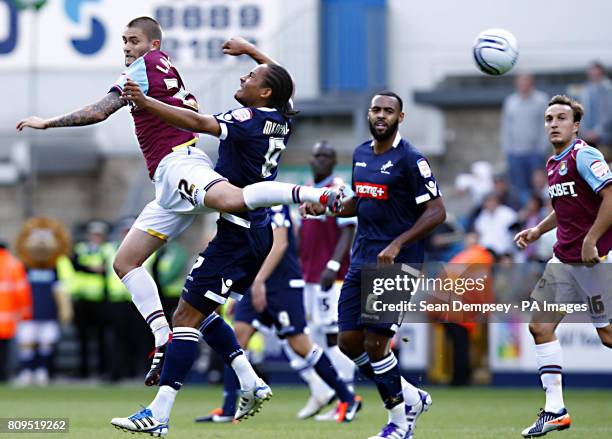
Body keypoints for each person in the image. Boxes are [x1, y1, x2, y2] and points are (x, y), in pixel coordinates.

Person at [15, 17, 342, 385]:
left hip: (180, 167)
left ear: (153, 45)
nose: (126, 47)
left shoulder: (143, 71)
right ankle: (162, 336)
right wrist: (251, 52)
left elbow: (100, 111)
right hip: (175, 189)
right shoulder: (170, 69)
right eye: (124, 40)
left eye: (134, 40)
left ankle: (315, 195)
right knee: (126, 263)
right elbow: (282, 85)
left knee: (231, 200)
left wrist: (48, 123)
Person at [109, 34, 334, 437]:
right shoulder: (279, 115)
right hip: (252, 232)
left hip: (239, 232)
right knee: (203, 311)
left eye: (250, 76)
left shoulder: (245, 121)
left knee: (184, 318)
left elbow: (196, 123)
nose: (244, 77)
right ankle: (249, 380)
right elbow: (285, 84)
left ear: (262, 92)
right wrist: (251, 51)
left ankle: (159, 414)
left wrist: (144, 104)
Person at [302, 91, 446, 439]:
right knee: (349, 343)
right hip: (362, 258)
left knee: (375, 346)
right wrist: (329, 208)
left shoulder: (411, 159)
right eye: (376, 110)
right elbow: (360, 202)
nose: (381, 115)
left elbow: (437, 211)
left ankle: (399, 424)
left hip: (397, 263)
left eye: (388, 111)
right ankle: (411, 395)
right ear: (369, 114)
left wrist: (398, 243)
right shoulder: (361, 153)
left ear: (400, 117)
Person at [196, 205, 360, 423]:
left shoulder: (272, 201)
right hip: (254, 283)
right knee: (236, 341)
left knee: (300, 345)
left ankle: (347, 397)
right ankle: (227, 409)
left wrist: (259, 281)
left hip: (282, 286)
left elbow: (281, 243)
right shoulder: (242, 202)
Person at [514, 95, 612, 438]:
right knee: (540, 327)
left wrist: (591, 240)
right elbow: (567, 207)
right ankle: (556, 410)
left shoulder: (585, 155)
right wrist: (538, 229)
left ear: (575, 125)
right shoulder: (554, 163)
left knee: (608, 336)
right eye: (548, 118)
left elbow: (610, 198)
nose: (553, 123)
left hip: (595, 261)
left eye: (560, 118)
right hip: (564, 260)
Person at [298, 141, 357, 419]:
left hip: (332, 276)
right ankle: (327, 392)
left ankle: (348, 395)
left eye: (326, 156)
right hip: (308, 274)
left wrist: (333, 265)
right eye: (317, 155)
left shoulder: (339, 188)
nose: (320, 160)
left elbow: (348, 229)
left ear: (334, 161)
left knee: (335, 335)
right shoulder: (308, 186)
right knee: (315, 337)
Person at [500, 73, 549, 203]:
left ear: (531, 83)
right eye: (521, 82)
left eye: (526, 82)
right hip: (515, 153)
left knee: (539, 187)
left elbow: (545, 125)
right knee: (519, 188)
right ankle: (526, 216)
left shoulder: (541, 100)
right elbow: (506, 127)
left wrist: (542, 148)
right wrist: (508, 150)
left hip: (535, 152)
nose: (523, 85)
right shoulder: (510, 102)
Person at [71, 220, 110, 378]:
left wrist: (86, 269)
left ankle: (102, 369)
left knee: (101, 337)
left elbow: (106, 268)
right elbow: (75, 265)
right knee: (82, 338)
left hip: (100, 299)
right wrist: (93, 270)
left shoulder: (106, 250)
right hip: (82, 298)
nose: (96, 238)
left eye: (99, 235)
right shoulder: (81, 249)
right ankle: (83, 370)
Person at [0, 242, 31, 382]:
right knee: (5, 349)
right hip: (8, 316)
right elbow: (22, 290)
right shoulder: (13, 264)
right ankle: (4, 375)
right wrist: (25, 311)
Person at [580, 61, 612, 146]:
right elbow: (581, 111)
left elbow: (609, 114)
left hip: (605, 137)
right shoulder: (585, 90)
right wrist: (585, 131)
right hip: (586, 136)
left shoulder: (608, 90)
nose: (593, 75)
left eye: (596, 73)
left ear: (601, 73)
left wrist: (597, 132)